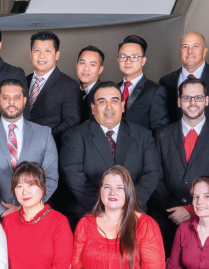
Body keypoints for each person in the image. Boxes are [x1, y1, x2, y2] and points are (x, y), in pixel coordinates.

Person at [152, 78, 209, 253]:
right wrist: (175, 209)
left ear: (206, 100)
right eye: (187, 98)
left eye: (198, 98)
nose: (192, 103)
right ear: (178, 101)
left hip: (207, 220)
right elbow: (154, 174)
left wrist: (191, 209)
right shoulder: (162, 134)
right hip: (167, 218)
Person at [60, 82, 162, 219]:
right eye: (102, 102)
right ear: (93, 108)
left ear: (122, 106)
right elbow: (74, 176)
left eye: (114, 101)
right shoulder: (74, 136)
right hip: (89, 212)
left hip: (133, 213)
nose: (109, 107)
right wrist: (104, 207)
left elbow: (152, 173)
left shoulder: (143, 135)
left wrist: (127, 205)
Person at [0, 79, 59, 218]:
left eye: (17, 97)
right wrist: (1, 210)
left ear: (24, 101)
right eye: (6, 97)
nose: (11, 102)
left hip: (34, 215)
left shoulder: (44, 134)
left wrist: (29, 207)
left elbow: (51, 177)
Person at [158, 31, 209, 131]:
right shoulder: (165, 81)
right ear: (180, 51)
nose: (190, 51)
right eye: (185, 47)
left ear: (204, 51)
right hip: (174, 144)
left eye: (195, 46)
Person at [24, 31, 81, 139]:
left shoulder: (70, 85)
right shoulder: (22, 81)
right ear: (31, 54)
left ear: (57, 55)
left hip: (51, 147)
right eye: (37, 50)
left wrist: (45, 139)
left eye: (47, 51)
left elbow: (71, 121)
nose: (41, 55)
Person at [116, 35, 169, 133]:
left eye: (134, 56)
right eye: (123, 56)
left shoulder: (155, 91)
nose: (128, 61)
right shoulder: (113, 89)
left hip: (141, 147)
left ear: (143, 61)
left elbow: (160, 131)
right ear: (118, 60)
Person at [74, 46, 105, 123]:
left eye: (92, 65)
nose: (86, 68)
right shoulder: (69, 90)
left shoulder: (104, 94)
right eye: (82, 63)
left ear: (100, 70)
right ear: (76, 65)